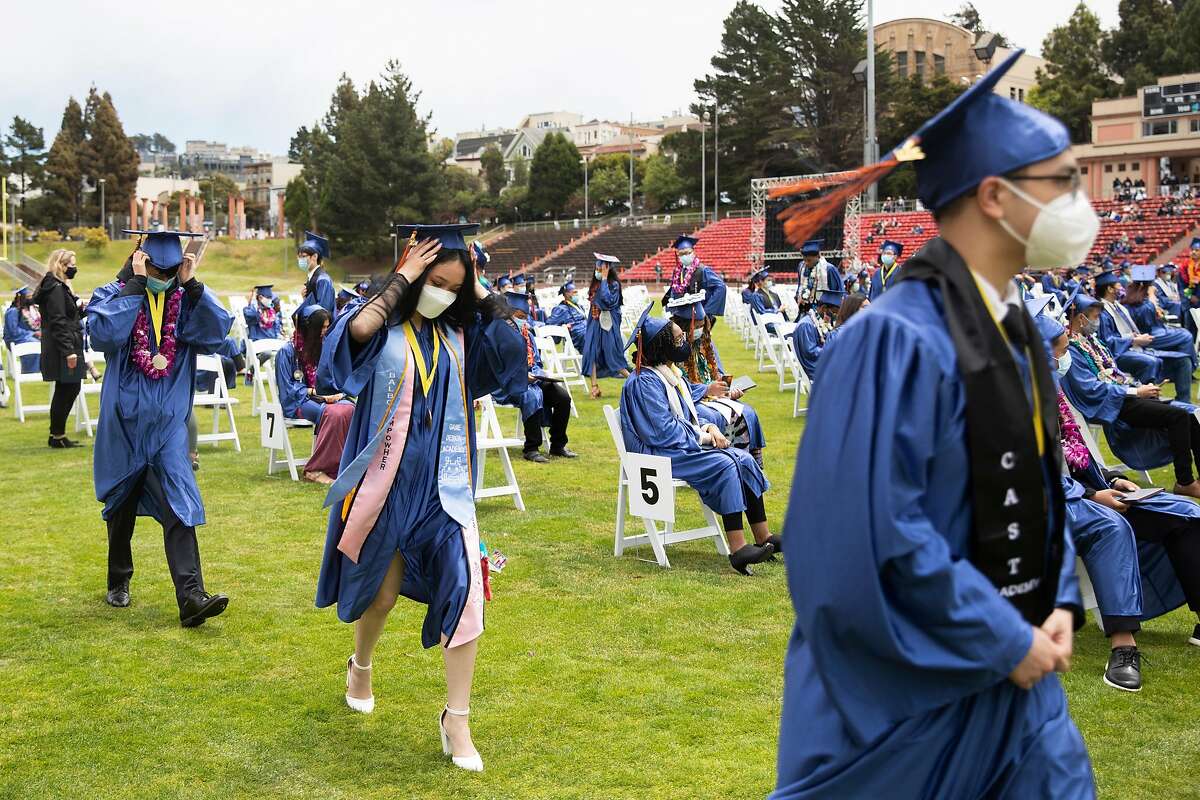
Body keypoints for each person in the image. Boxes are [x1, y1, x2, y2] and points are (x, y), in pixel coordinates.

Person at [770, 49, 1095, 798]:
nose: (1081, 203)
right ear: (994, 196)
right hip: (916, 700)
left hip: (1020, 690)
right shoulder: (892, 340)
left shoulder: (1010, 324)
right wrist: (1001, 635)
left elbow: (1042, 485)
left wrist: (1058, 602)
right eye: (1062, 183)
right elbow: (864, 534)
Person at [316, 223, 526, 774]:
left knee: (467, 593)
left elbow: (512, 355)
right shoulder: (384, 328)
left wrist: (477, 290)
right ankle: (360, 665)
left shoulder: (462, 337)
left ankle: (456, 718)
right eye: (436, 282)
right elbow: (352, 335)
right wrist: (403, 276)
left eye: (453, 288)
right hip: (386, 489)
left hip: (445, 495)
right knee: (381, 596)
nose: (443, 294)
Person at [1036, 308, 1200, 692]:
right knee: (1109, 527)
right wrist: (1095, 495)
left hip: (1084, 490)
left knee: (1185, 513)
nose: (1065, 359)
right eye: (1059, 351)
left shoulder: (1052, 392)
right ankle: (1123, 646)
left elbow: (1074, 454)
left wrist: (1112, 478)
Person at [87, 230, 232, 627]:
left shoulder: (185, 301)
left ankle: (191, 597)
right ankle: (119, 578)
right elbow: (103, 335)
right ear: (139, 259)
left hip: (168, 425)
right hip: (125, 424)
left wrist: (192, 284)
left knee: (180, 503)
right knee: (122, 504)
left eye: (169, 271)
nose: (162, 276)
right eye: (155, 268)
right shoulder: (113, 294)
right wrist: (135, 286)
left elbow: (218, 334)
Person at [620, 308, 777, 574]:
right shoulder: (643, 383)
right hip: (656, 454)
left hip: (674, 446)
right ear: (663, 346)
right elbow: (663, 432)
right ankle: (738, 549)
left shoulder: (666, 375)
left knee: (745, 459)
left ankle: (764, 537)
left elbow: (682, 416)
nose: (685, 343)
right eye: (679, 339)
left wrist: (705, 426)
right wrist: (704, 436)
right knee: (726, 464)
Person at [1059, 291, 1200, 500]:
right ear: (1081, 317)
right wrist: (1134, 391)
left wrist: (1138, 387)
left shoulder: (1091, 341)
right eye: (1095, 316)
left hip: (1122, 396)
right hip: (1109, 404)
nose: (1097, 321)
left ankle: (1190, 480)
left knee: (1188, 416)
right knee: (1178, 416)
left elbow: (1112, 372)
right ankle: (1185, 482)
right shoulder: (1071, 349)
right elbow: (1090, 389)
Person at [491, 289, 576, 463]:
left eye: (525, 316)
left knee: (562, 397)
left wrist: (538, 373)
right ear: (510, 314)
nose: (524, 320)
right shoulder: (499, 335)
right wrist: (521, 376)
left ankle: (558, 445)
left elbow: (535, 361)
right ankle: (531, 448)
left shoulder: (527, 334)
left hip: (532, 378)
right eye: (521, 315)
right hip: (507, 383)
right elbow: (497, 366)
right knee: (531, 395)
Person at [275, 304, 354, 484]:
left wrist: (334, 393)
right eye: (322, 327)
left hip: (325, 398)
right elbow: (288, 390)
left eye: (327, 327)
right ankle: (316, 469)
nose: (325, 331)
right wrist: (317, 393)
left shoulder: (324, 348)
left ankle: (340, 466)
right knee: (335, 413)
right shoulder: (288, 352)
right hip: (298, 402)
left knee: (350, 408)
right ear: (309, 328)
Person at [32, 249, 86, 448]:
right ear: (61, 266)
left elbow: (69, 315)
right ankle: (57, 435)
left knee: (68, 388)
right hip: (63, 346)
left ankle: (58, 435)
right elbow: (58, 321)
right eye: (71, 263)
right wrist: (68, 351)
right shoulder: (55, 288)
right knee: (68, 389)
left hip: (65, 343)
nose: (74, 267)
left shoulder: (59, 287)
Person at [1095, 268, 1183, 389]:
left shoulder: (1118, 307)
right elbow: (1106, 342)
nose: (1122, 288)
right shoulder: (1102, 312)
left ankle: (1182, 403)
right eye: (1119, 285)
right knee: (1151, 362)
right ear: (1110, 289)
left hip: (1132, 348)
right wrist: (1133, 340)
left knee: (1183, 359)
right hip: (1117, 354)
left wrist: (1137, 337)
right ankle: (1144, 399)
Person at [1121, 268, 1195, 401]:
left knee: (1184, 352)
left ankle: (1184, 397)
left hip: (1148, 335)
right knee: (1186, 336)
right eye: (1151, 285)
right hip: (1147, 338)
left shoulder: (1130, 300)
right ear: (1145, 286)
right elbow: (1150, 323)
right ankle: (1188, 375)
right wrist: (1151, 296)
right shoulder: (1146, 303)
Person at [581, 254, 629, 397]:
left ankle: (634, 380)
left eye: (600, 269)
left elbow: (607, 302)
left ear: (607, 269)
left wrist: (604, 278)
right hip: (595, 324)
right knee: (591, 354)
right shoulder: (595, 284)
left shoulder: (613, 284)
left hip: (608, 326)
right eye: (596, 268)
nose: (598, 271)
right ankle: (594, 387)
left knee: (613, 355)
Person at [668, 235, 726, 322]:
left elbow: (721, 287)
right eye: (681, 254)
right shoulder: (677, 272)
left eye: (687, 253)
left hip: (699, 317)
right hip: (681, 315)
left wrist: (707, 311)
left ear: (693, 253)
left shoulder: (703, 270)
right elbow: (673, 290)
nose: (685, 256)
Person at [790, 289, 842, 382]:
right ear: (824, 308)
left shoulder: (819, 321)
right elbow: (811, 352)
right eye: (834, 312)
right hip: (814, 367)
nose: (834, 316)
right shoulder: (806, 325)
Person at [297, 230, 335, 317]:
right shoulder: (312, 277)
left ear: (314, 256)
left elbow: (323, 313)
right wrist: (305, 299)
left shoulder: (323, 280)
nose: (300, 260)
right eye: (299, 257)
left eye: (303, 256)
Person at [4, 286, 41, 373]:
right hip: (14, 339)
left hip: (25, 337)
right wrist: (33, 334)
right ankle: (30, 371)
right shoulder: (12, 311)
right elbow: (14, 331)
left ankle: (41, 370)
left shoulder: (29, 310)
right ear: (21, 297)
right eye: (28, 297)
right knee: (34, 343)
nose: (30, 299)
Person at [546, 280, 586, 352]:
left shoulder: (580, 307)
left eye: (576, 292)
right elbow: (549, 325)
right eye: (574, 292)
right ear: (566, 294)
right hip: (577, 337)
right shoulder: (561, 309)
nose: (576, 294)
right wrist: (562, 328)